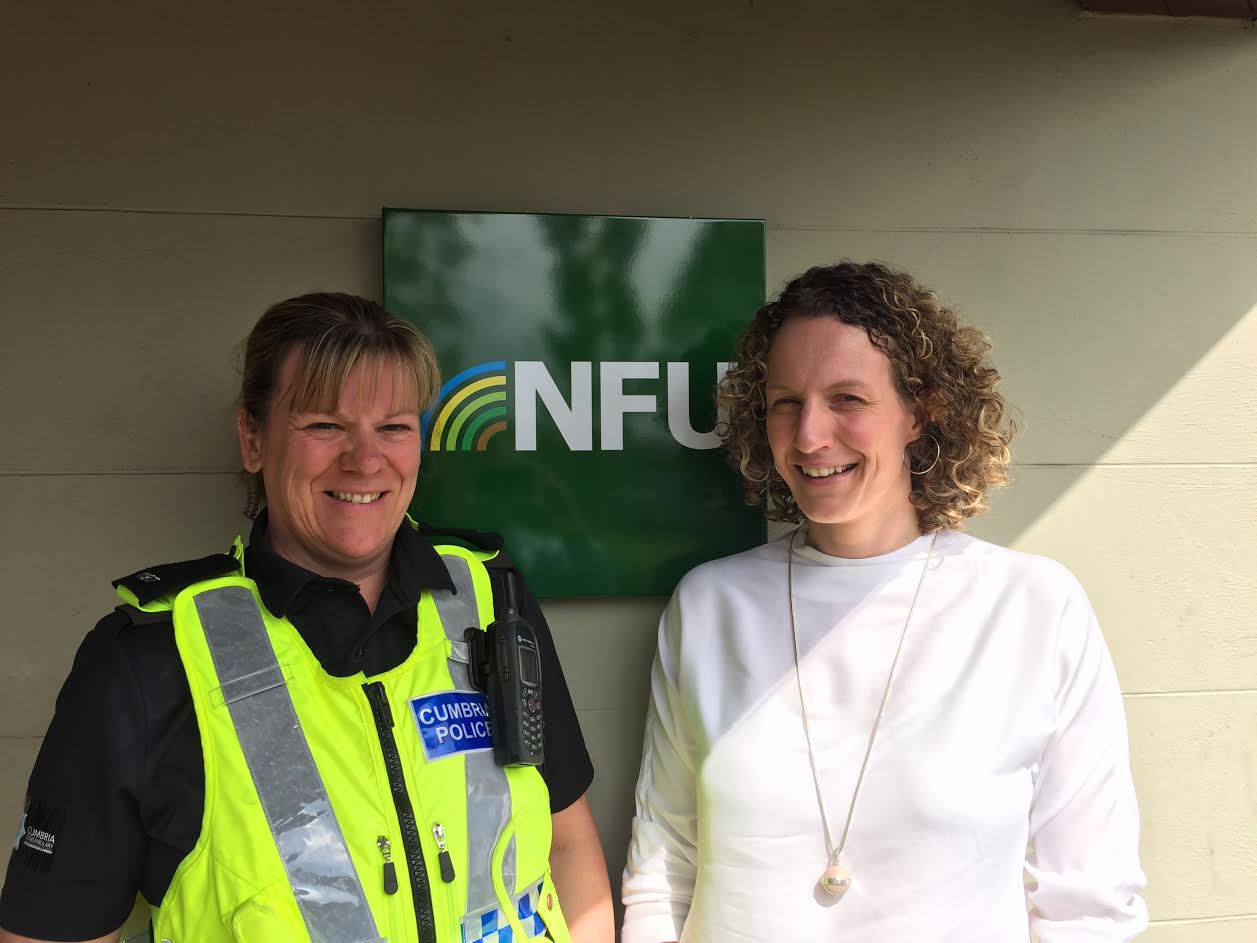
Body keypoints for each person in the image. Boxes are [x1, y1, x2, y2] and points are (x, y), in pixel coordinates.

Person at [0, 293, 614, 943]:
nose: (364, 459)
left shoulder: (490, 597)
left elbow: (567, 849)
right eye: (325, 425)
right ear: (252, 438)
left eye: (394, 426)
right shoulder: (147, 660)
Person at [620, 262, 1148, 942]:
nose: (809, 435)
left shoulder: (1033, 609)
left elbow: (1090, 904)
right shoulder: (710, 606)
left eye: (847, 399)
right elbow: (663, 867)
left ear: (919, 410)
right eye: (785, 401)